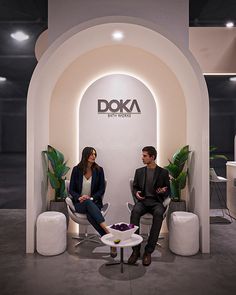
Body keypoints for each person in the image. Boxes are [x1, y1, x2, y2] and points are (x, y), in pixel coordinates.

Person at [69, 146, 116, 257]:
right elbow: (71, 189)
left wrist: (91, 198)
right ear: (85, 155)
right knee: (88, 205)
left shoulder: (99, 170)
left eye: (95, 154)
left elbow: (101, 190)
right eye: (91, 154)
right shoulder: (76, 169)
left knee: (91, 214)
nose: (93, 156)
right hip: (79, 203)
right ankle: (109, 234)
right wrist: (79, 197)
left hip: (93, 202)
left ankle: (112, 243)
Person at [128, 146, 170, 266]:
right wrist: (136, 193)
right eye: (142, 155)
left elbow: (168, 191)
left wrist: (163, 191)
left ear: (152, 157)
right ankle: (135, 250)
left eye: (145, 156)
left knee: (158, 214)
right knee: (134, 212)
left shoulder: (163, 172)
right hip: (143, 202)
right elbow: (135, 187)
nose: (142, 158)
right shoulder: (139, 171)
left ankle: (148, 251)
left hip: (156, 202)